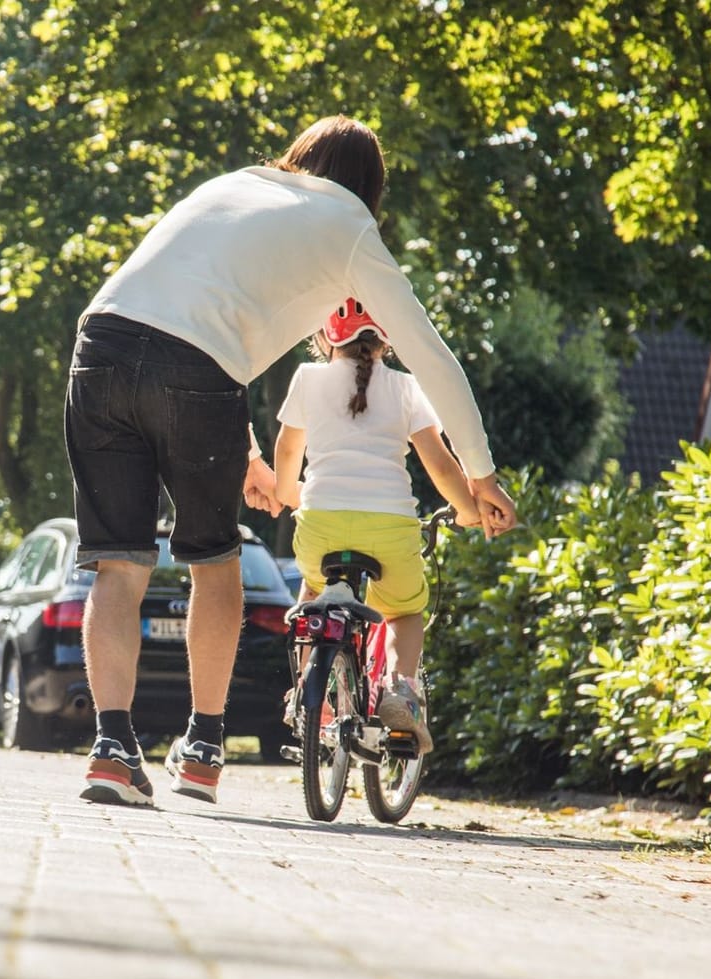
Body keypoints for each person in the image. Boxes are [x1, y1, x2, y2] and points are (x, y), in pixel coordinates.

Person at [65, 115, 516, 808]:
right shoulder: (351, 228)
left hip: (100, 346)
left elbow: (191, 313)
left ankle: (113, 749)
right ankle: (205, 747)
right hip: (195, 371)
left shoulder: (237, 184)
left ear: (300, 157)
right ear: (372, 189)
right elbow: (428, 352)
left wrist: (244, 445)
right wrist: (479, 471)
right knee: (214, 560)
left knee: (118, 564)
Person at [272, 298, 485, 755]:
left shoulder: (306, 378)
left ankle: (310, 700)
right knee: (404, 611)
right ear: (387, 339)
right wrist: (467, 509)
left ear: (326, 337)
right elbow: (441, 466)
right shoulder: (407, 388)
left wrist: (291, 493)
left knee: (312, 592)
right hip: (390, 528)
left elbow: (288, 452)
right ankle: (399, 696)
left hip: (320, 526)